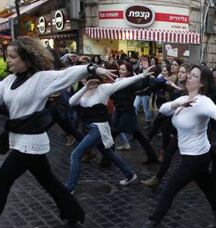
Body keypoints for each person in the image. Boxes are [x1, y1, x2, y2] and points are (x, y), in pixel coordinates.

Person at [0, 36, 117, 228]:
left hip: (30, 144)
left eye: (13, 57)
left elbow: (67, 73)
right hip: (22, 141)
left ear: (28, 59)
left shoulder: (42, 78)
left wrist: (92, 68)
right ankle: (73, 212)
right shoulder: (10, 80)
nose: (8, 60)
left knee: (0, 184)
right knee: (48, 181)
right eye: (7, 56)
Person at [129, 65, 216, 228]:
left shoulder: (203, 101)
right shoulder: (184, 98)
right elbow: (164, 109)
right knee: (207, 187)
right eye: (189, 74)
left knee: (168, 190)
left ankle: (150, 227)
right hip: (191, 154)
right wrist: (178, 102)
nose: (189, 77)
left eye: (194, 76)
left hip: (196, 157)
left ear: (202, 83)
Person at [65, 64, 156, 193]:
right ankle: (129, 174)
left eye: (84, 77)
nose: (82, 79)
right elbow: (71, 102)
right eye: (82, 77)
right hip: (90, 128)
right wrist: (85, 88)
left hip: (99, 129)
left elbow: (125, 82)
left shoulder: (104, 89)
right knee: (108, 153)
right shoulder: (83, 90)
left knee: (75, 155)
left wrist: (142, 75)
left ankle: (70, 187)